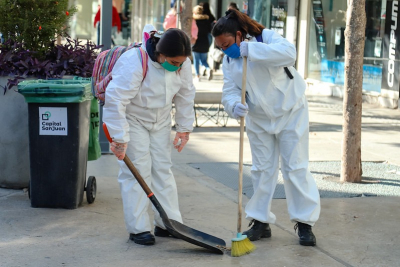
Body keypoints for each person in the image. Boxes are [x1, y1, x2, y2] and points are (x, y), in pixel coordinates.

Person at [211, 9, 321, 246]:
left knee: (295, 167)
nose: (224, 50)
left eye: (227, 44)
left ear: (239, 35)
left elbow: (288, 54)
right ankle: (260, 221)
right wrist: (233, 105)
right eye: (220, 47)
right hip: (259, 118)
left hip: (291, 109)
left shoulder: (265, 38)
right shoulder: (230, 61)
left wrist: (252, 50)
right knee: (262, 169)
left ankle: (305, 223)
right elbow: (229, 90)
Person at [103, 25, 195, 246]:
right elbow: (115, 100)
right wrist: (119, 138)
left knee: (163, 168)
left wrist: (184, 127)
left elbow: (185, 94)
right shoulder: (135, 61)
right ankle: (139, 228)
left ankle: (168, 223)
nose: (178, 67)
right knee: (137, 171)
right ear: (160, 54)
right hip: (133, 119)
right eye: (174, 62)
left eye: (181, 63)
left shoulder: (183, 63)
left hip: (161, 119)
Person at [192, 5, 213, 83]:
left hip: (196, 42)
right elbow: (209, 32)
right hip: (205, 42)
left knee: (196, 60)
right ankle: (208, 68)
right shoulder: (207, 21)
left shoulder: (194, 21)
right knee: (204, 60)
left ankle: (197, 76)